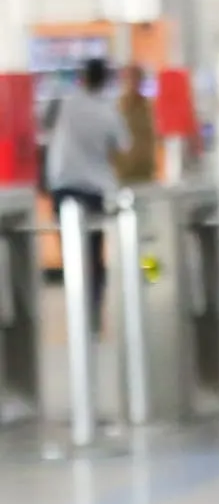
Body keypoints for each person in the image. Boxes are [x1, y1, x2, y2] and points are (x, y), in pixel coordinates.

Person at [42, 56, 128, 324]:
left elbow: (43, 126)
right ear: (105, 80)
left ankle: (76, 306)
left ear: (82, 77)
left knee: (70, 251)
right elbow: (124, 145)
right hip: (94, 188)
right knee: (93, 252)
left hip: (63, 185)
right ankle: (93, 310)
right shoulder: (108, 111)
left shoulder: (64, 103)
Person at [114, 61, 158, 186]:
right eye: (130, 78)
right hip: (124, 172)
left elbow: (151, 136)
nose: (133, 82)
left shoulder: (147, 107)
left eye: (137, 78)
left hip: (145, 170)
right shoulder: (118, 108)